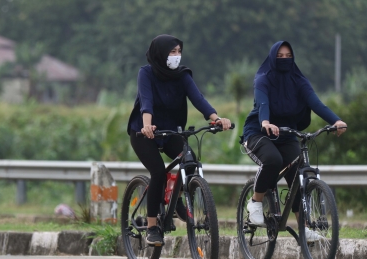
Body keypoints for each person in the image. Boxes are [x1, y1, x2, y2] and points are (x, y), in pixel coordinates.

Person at [127, 34, 231, 246]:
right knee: (158, 172)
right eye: (172, 52)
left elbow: (198, 99)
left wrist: (216, 118)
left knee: (190, 161)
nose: (176, 56)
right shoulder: (146, 73)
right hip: (143, 132)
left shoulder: (182, 76)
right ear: (160, 54)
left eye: (178, 52)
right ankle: (153, 227)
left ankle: (178, 201)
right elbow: (146, 102)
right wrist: (147, 125)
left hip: (171, 131)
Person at [241, 41, 347, 240]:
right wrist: (265, 122)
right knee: (273, 160)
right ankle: (255, 202)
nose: (284, 60)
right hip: (258, 133)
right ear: (273, 58)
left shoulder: (299, 80)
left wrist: (336, 120)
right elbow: (262, 103)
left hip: (287, 133)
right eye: (279, 56)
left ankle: (303, 227)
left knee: (297, 176)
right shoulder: (263, 79)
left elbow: (315, 103)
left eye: (287, 56)